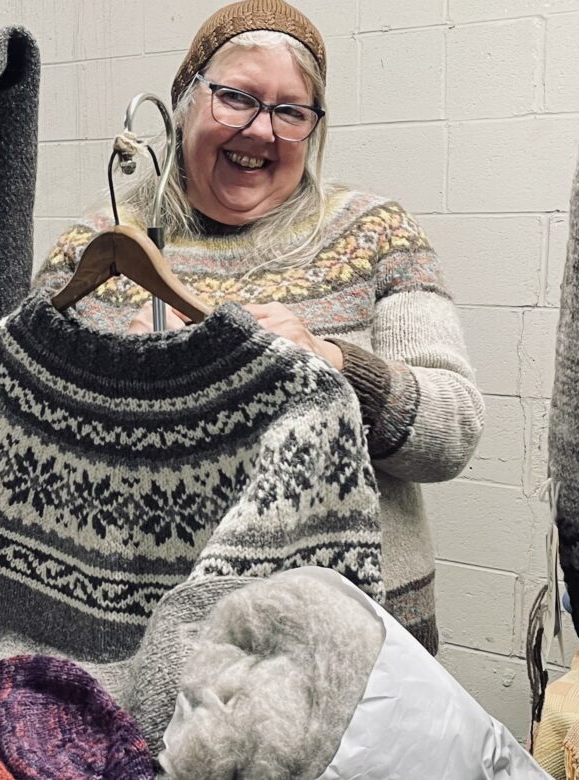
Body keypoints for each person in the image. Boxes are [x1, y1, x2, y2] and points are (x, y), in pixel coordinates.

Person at [32, 0, 483, 654]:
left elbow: (456, 430)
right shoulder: (99, 247)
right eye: (235, 98)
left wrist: (331, 363)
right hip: (155, 655)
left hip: (355, 653)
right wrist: (113, 381)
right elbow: (28, 459)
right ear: (185, 102)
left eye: (290, 111)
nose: (261, 130)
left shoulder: (376, 233)